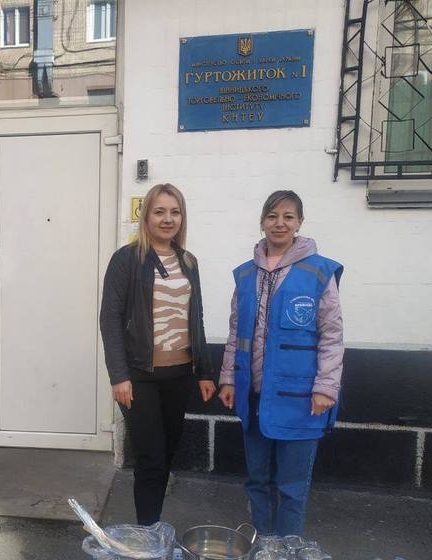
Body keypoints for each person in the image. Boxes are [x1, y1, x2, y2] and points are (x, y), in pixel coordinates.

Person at [217, 190, 344, 537]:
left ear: (300, 222)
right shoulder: (245, 275)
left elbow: (332, 335)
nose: (280, 223)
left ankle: (289, 553)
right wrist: (228, 379)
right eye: (272, 216)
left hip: (300, 399)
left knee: (292, 487)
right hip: (255, 397)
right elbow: (235, 333)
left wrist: (326, 387)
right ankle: (262, 546)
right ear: (262, 222)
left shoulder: (319, 272)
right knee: (257, 480)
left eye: (288, 216)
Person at [100, 183, 216, 526]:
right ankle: (147, 532)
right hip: (139, 377)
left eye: (175, 212)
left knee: (165, 456)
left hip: (179, 374)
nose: (168, 219)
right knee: (150, 458)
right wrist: (119, 376)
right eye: (159, 212)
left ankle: (152, 526)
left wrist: (204, 372)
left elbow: (196, 318)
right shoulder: (127, 259)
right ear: (146, 217)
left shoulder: (188, 262)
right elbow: (110, 319)